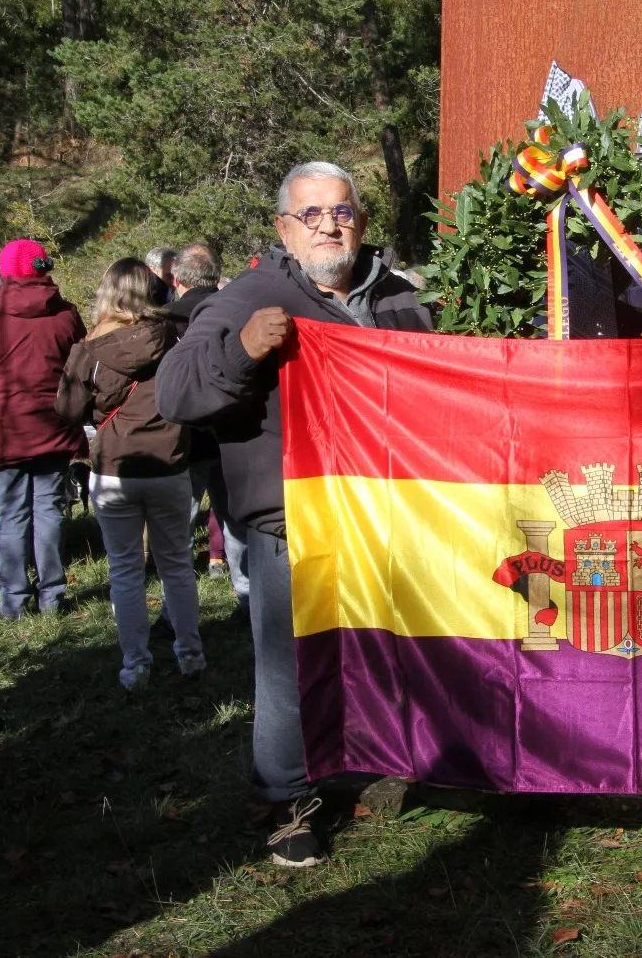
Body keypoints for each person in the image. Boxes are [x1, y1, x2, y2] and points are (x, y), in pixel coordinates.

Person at [157, 161, 431, 867]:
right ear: (284, 226)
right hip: (293, 514)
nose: (328, 225)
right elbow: (177, 392)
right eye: (311, 214)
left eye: (340, 212)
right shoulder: (250, 295)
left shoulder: (403, 296)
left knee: (391, 646)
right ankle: (288, 801)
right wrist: (243, 350)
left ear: (362, 222)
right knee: (290, 667)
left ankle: (386, 763)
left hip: (396, 512)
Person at [55, 259, 205, 690]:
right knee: (176, 565)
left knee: (124, 569)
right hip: (169, 465)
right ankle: (191, 654)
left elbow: (66, 409)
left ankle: (135, 665)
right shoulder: (176, 339)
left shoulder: (89, 349)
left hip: (116, 467)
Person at [0, 240, 86, 620]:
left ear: (6, 271)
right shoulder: (67, 316)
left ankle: (13, 600)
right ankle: (53, 596)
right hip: (52, 424)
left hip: (1, 427)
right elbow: (81, 367)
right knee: (49, 510)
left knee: (8, 515)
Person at [156, 243, 250, 636]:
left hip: (185, 439)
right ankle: (250, 600)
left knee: (179, 526)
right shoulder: (238, 312)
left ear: (176, 279)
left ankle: (172, 611)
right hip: (234, 435)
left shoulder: (163, 323)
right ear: (216, 277)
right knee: (238, 522)